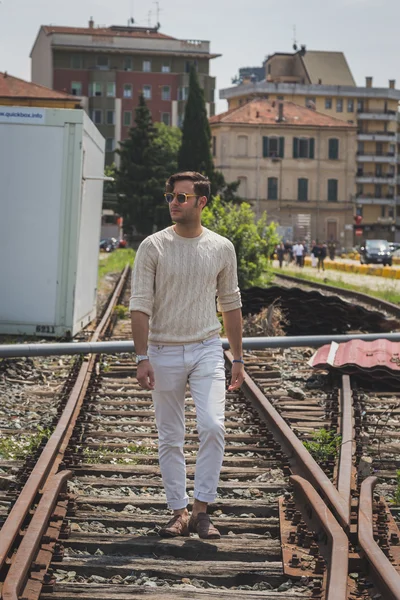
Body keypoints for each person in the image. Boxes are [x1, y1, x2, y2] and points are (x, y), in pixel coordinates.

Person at [130, 171, 244, 541]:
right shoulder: (153, 246)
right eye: (171, 197)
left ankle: (201, 511)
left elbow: (230, 305)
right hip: (162, 349)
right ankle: (178, 511)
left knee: (213, 426)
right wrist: (141, 356)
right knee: (171, 436)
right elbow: (139, 305)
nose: (174, 203)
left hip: (206, 348)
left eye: (181, 197)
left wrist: (238, 358)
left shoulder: (221, 247)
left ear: (202, 202)